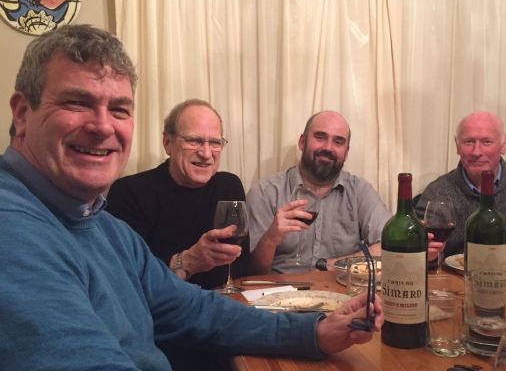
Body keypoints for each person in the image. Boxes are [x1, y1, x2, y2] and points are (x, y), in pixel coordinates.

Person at [0, 24, 382, 371]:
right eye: (76, 102)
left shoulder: (101, 224)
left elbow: (195, 309)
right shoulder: (14, 231)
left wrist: (315, 331)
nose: (102, 126)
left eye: (118, 109)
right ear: (21, 114)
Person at [107, 99, 249, 290]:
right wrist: (188, 262)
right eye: (194, 141)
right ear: (167, 143)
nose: (206, 154)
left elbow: (241, 269)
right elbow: (125, 281)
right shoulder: (129, 193)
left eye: (215, 143)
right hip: (162, 307)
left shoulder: (229, 186)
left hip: (225, 302)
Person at [247, 111, 393, 273]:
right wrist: (270, 238)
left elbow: (391, 245)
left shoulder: (360, 192)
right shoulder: (265, 192)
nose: (328, 148)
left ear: (346, 152)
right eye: (320, 137)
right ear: (302, 142)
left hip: (339, 287)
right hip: (279, 287)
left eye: (338, 142)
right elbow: (252, 271)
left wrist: (332, 265)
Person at [415, 111, 506, 262]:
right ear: (457, 145)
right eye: (469, 142)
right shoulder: (438, 192)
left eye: (487, 142)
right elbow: (422, 254)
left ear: (504, 145)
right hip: (460, 277)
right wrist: (430, 256)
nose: (476, 152)